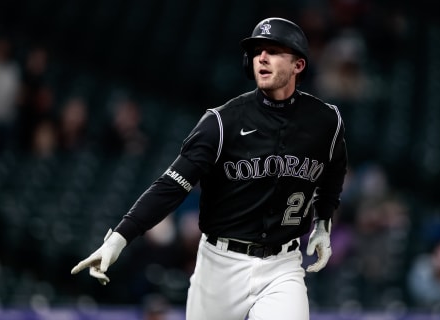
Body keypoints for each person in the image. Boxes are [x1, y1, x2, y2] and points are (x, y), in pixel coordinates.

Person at [71, 17, 348, 320]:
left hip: (282, 266)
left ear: (298, 65)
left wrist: (323, 221)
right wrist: (119, 237)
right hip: (220, 265)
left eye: (274, 50)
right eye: (257, 52)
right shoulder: (221, 122)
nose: (262, 58)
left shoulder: (326, 121)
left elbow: (334, 170)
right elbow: (171, 185)